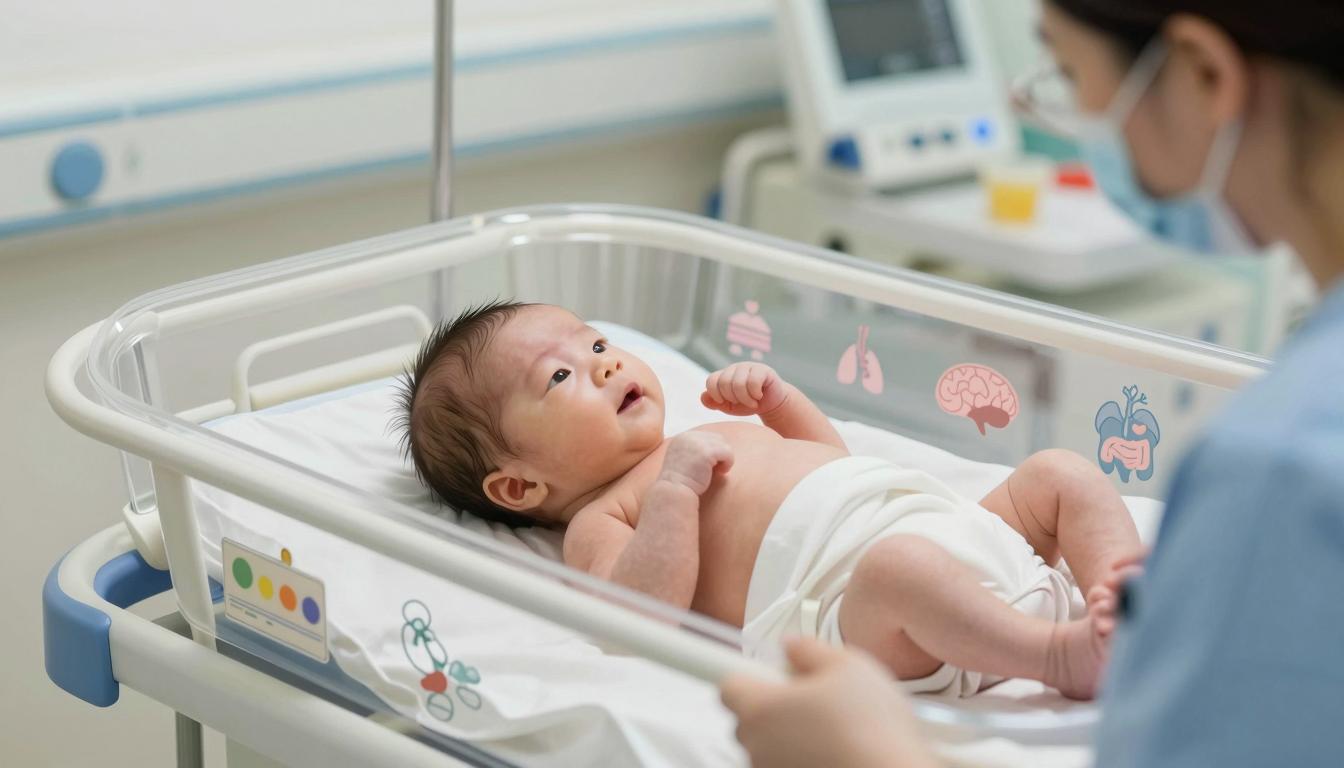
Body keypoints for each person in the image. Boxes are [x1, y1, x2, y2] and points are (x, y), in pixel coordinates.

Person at [721, 1, 1344, 765]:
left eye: (1070, 75)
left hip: (907, 566)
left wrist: (875, 756)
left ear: (1204, 74)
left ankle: (1069, 646)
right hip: (895, 571)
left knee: (1044, 484)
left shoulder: (1282, 473)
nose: (1060, 109)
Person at [398, 301, 1140, 700]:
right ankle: (1056, 656)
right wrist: (674, 493)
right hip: (861, 614)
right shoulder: (601, 519)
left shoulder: (699, 432)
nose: (604, 366)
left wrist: (782, 406)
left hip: (951, 528)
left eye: (595, 346)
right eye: (558, 378)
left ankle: (1129, 597)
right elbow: (636, 619)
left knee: (1060, 473)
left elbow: (834, 465)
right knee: (900, 569)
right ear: (519, 486)